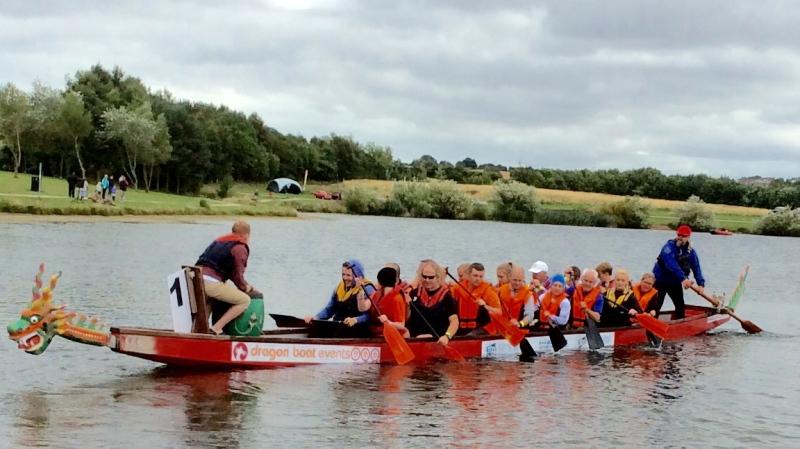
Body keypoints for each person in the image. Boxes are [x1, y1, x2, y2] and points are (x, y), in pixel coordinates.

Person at [195, 221, 259, 335]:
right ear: (247, 235)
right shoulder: (240, 247)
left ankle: (200, 330)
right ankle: (216, 329)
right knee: (244, 300)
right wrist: (246, 287)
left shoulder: (219, 241)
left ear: (233, 232)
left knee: (214, 297)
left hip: (196, 280)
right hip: (211, 283)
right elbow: (237, 275)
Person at [306, 259, 376, 336]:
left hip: (357, 328)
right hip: (339, 325)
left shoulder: (368, 289)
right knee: (314, 331)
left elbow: (370, 316)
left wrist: (356, 320)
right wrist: (316, 318)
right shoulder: (339, 288)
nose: (345, 278)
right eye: (343, 274)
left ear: (358, 276)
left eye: (348, 275)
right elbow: (329, 309)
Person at [651, 225, 705, 319]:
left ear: (688, 237)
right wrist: (683, 279)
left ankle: (679, 325)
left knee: (680, 306)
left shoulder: (690, 252)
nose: (680, 238)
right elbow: (671, 264)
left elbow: (696, 267)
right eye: (679, 235)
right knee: (656, 306)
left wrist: (700, 284)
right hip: (660, 281)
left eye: (683, 236)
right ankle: (650, 325)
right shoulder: (668, 247)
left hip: (674, 283)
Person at [406, 259, 459, 347]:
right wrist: (406, 305)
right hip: (415, 339)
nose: (427, 280)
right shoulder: (414, 293)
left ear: (438, 277)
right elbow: (406, 318)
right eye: (424, 276)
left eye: (431, 277)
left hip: (437, 339)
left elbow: (454, 321)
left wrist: (447, 336)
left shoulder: (447, 297)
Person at [451, 263, 501, 335]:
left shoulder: (487, 290)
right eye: (475, 276)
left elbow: (499, 311)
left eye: (481, 276)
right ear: (468, 275)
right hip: (461, 327)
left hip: (482, 328)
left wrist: (486, 306)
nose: (478, 279)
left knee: (469, 336)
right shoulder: (458, 288)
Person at [362, 266, 409, 338]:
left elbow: (401, 324)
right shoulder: (377, 294)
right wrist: (360, 292)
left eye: (378, 281)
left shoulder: (397, 298)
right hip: (376, 333)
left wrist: (387, 322)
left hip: (391, 335)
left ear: (381, 282)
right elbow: (363, 308)